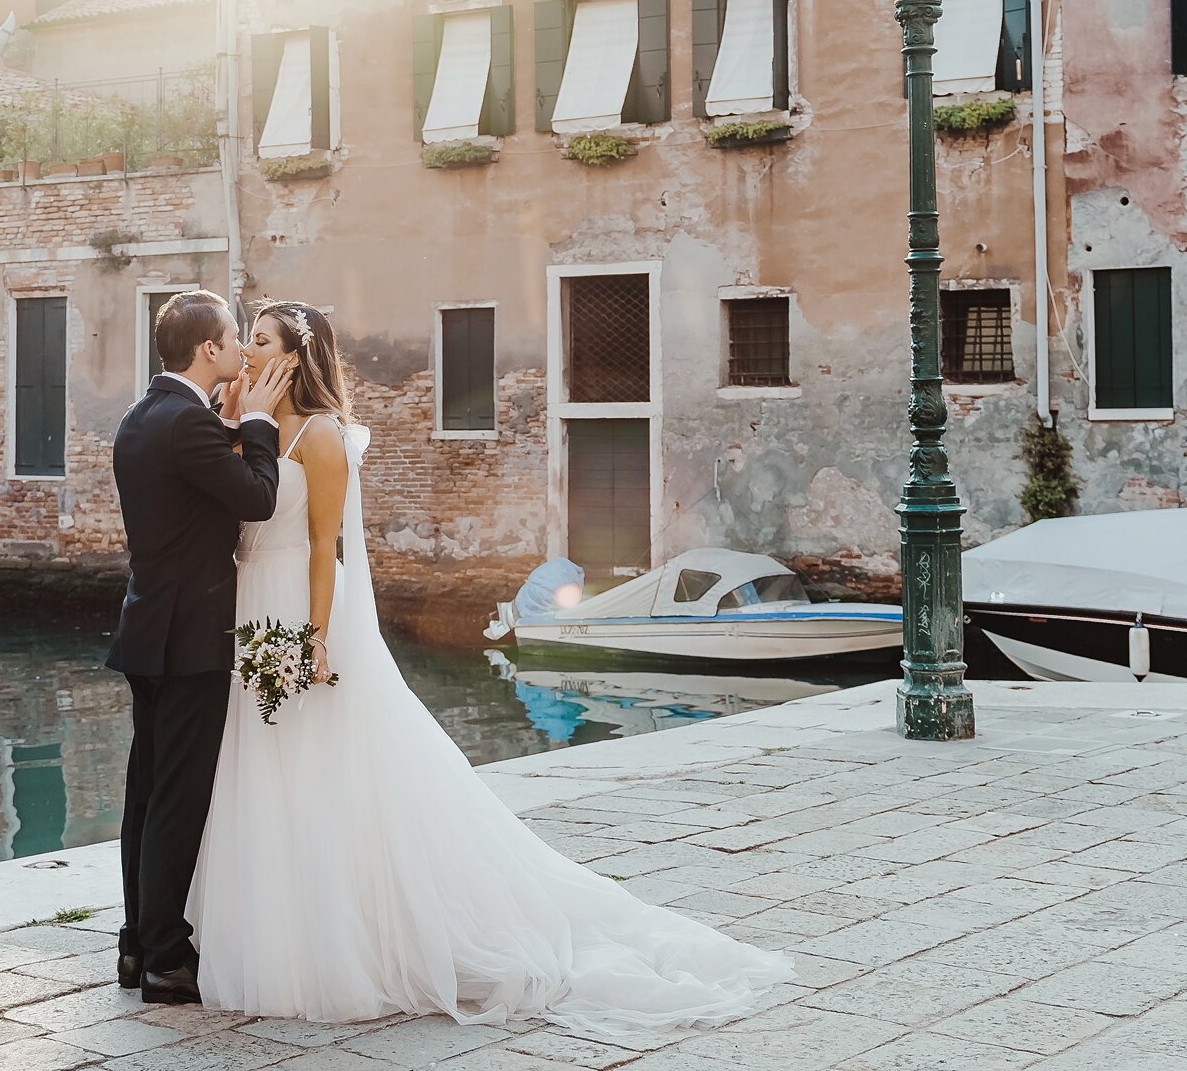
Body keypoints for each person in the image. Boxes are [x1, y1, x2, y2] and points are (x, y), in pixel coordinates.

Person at [185, 299, 794, 1038]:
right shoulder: (244, 423)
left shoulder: (322, 437)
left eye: (260, 341)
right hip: (250, 604)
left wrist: (313, 639)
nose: (246, 351)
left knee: (320, 762)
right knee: (261, 763)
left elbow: (324, 548)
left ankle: (344, 941)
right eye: (245, 339)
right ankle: (270, 925)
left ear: (297, 357)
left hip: (300, 604)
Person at [106, 289, 298, 1005]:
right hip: (191, 639)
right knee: (178, 799)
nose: (242, 350)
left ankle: (135, 944)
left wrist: (227, 423)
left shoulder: (143, 415)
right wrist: (255, 423)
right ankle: (165, 957)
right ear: (208, 350)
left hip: (147, 630)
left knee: (146, 793)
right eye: (232, 338)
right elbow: (255, 499)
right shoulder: (188, 423)